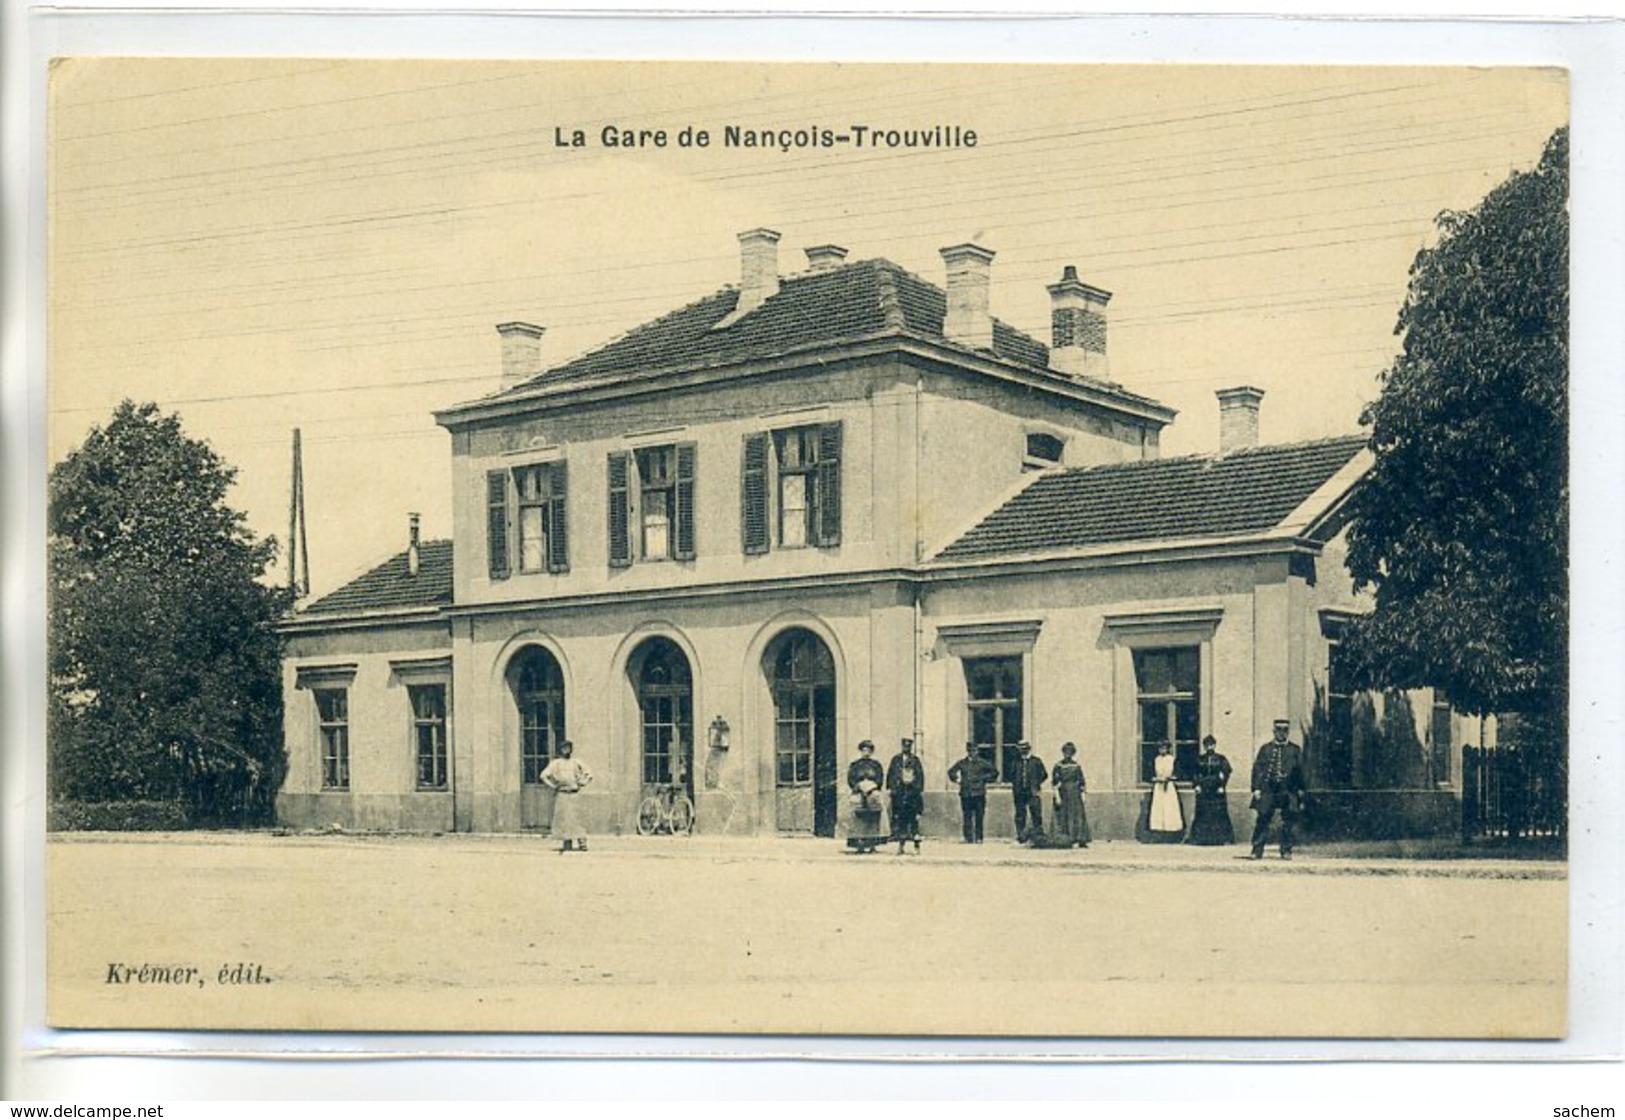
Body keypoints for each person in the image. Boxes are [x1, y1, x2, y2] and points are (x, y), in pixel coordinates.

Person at [1250, 718, 1306, 859]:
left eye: (1285, 730)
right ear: (1274, 731)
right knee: (1263, 818)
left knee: (1288, 821)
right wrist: (1256, 788)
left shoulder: (1294, 750)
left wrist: (1300, 789)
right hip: (1268, 790)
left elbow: (1300, 771)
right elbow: (1257, 769)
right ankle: (1257, 849)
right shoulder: (1265, 749)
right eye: (1279, 730)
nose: (1282, 733)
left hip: (1287, 790)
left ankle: (1286, 850)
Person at [540, 740, 594, 853]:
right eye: (564, 748)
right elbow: (544, 776)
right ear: (560, 750)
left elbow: (589, 774)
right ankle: (567, 842)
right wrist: (553, 786)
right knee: (564, 820)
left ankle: (582, 842)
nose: (566, 750)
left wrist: (583, 782)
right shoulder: (556, 763)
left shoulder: (576, 762)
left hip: (574, 794)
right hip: (563, 794)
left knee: (578, 819)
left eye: (568, 748)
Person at [1185, 734, 1235, 846]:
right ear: (1204, 746)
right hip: (1203, 789)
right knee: (1202, 813)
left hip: (1217, 789)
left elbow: (1226, 772)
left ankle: (1222, 838)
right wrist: (1196, 785)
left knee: (1219, 813)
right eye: (1207, 745)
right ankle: (1200, 839)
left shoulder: (1221, 759)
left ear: (1214, 745)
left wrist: (1222, 785)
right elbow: (1194, 773)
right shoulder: (1199, 759)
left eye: (1211, 745)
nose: (1209, 747)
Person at [946, 741, 996, 843]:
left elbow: (994, 772)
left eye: (974, 751)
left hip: (979, 793)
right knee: (967, 816)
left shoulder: (982, 763)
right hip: (966, 793)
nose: (972, 753)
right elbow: (951, 771)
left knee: (979, 816)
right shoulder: (962, 763)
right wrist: (957, 780)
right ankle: (968, 837)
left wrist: (983, 779)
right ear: (967, 751)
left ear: (977, 751)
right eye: (970, 751)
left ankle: (979, 837)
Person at [885, 737, 926, 854]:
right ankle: (901, 846)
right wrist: (890, 787)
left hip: (912, 794)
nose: (906, 748)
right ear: (902, 746)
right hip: (899, 793)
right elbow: (891, 773)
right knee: (900, 819)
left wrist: (917, 788)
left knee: (914, 822)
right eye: (904, 746)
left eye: (908, 746)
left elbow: (920, 775)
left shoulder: (915, 760)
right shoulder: (896, 759)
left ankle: (916, 847)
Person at [846, 740, 886, 853]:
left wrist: (872, 788)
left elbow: (880, 779)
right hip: (859, 793)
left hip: (872, 794)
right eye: (864, 750)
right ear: (860, 751)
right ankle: (859, 845)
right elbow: (850, 779)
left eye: (868, 750)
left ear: (872, 751)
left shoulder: (876, 765)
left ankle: (873, 845)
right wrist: (858, 787)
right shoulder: (855, 765)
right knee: (858, 820)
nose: (866, 753)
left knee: (873, 818)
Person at [1050, 742, 1091, 848]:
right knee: (1063, 815)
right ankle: (1065, 839)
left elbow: (1081, 781)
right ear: (1063, 752)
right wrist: (1057, 796)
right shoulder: (1058, 766)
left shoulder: (1076, 766)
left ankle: (1077, 839)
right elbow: (1055, 782)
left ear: (1073, 753)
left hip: (1075, 794)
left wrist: (1083, 795)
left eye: (1070, 752)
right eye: (1065, 752)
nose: (1067, 754)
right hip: (1063, 793)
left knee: (1076, 816)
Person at [1144, 742, 1186, 842]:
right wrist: (1154, 778)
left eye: (1164, 748)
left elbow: (1178, 774)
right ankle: (1159, 834)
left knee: (1169, 809)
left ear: (1168, 749)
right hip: (1158, 787)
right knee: (1158, 809)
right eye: (1160, 748)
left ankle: (1171, 835)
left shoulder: (1172, 759)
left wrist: (1170, 777)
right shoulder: (1156, 760)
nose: (1162, 750)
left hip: (1169, 787)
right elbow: (1149, 773)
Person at [1011, 741, 1048, 845]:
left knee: (1036, 814)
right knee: (1020, 815)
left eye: (1025, 748)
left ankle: (1038, 837)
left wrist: (1036, 784)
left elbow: (1044, 774)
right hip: (1019, 792)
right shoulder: (1016, 762)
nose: (1023, 750)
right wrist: (1016, 785)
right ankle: (1021, 837)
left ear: (1029, 749)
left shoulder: (1036, 761)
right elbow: (1012, 775)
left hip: (1032, 792)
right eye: (1021, 749)